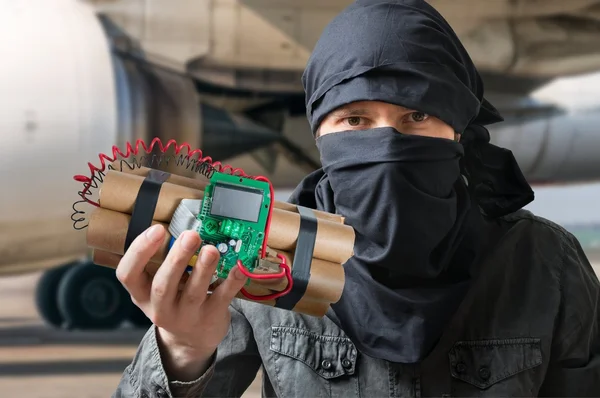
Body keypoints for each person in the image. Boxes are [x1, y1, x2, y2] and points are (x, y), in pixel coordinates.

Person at [113, 0, 600, 397]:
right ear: (319, 132)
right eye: (355, 120)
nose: (388, 144)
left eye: (416, 117)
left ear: (458, 129)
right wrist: (182, 352)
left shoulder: (544, 262)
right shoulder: (262, 260)